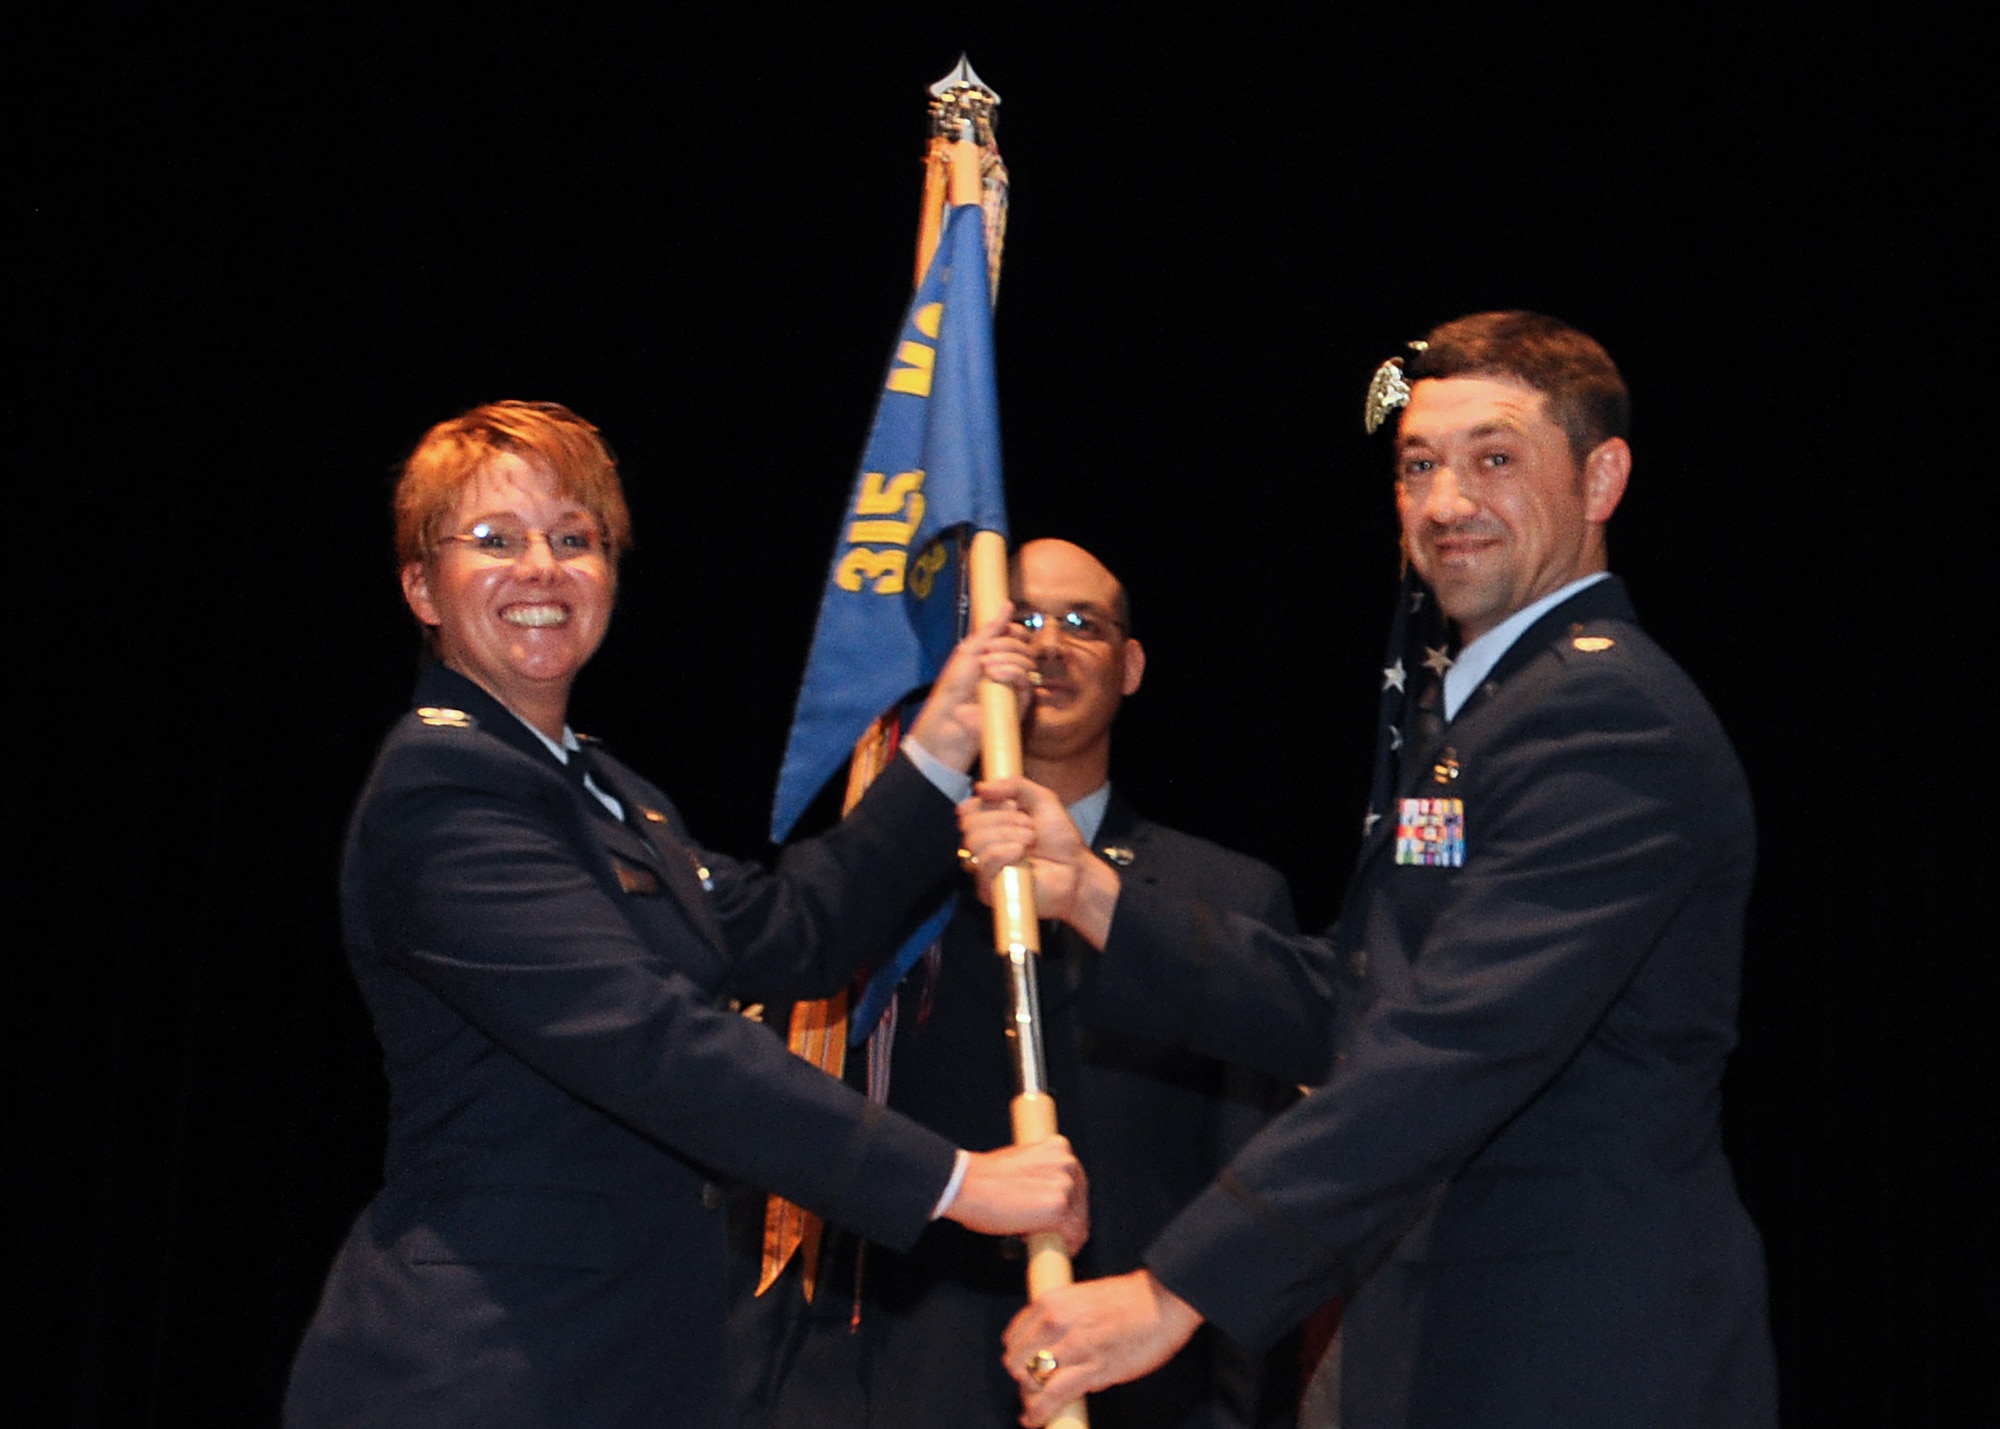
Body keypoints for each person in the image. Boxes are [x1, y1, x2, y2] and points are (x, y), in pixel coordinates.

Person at [962, 314, 1779, 1427]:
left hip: (1575, 1356)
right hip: (1456, 1343)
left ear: (1600, 478)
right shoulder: (1490, 713)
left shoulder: (1604, 718)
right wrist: (1090, 894)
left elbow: (1454, 1043)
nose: (1445, 503)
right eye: (1416, 465)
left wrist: (1175, 1286)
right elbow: (1362, 999)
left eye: (1493, 458)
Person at [283, 400, 1088, 1429]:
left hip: (634, 1363)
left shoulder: (609, 793)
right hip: (479, 1366)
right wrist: (953, 1180)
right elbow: (650, 1041)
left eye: (574, 539)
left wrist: (938, 739)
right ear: (420, 587)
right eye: (494, 540)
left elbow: (797, 931)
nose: (541, 567)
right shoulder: (441, 789)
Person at [743, 539, 1301, 1429]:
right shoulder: (882, 887)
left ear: (1132, 665)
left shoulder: (1227, 898)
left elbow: (1253, 1173)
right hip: (901, 1381)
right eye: (1023, 621)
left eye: (1084, 624)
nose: (1048, 645)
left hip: (1143, 1390)